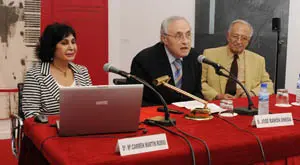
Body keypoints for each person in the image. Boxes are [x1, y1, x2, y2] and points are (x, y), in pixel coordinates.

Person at [22, 23, 92, 118]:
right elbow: (31, 115)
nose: (71, 47)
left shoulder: (82, 72)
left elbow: (91, 106)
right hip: (50, 131)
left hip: (82, 129)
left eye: (73, 42)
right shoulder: (35, 75)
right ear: (51, 47)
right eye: (64, 43)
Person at [129, 16, 203, 106]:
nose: (185, 41)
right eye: (178, 36)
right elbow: (138, 100)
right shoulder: (144, 60)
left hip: (187, 115)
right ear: (164, 39)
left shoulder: (194, 57)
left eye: (188, 34)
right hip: (158, 115)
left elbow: (197, 93)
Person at [201, 19, 274, 101]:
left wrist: (251, 94)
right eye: (235, 36)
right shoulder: (210, 55)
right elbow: (201, 83)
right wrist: (217, 96)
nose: (239, 41)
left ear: (248, 41)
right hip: (218, 103)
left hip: (244, 104)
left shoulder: (258, 60)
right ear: (228, 36)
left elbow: (268, 85)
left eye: (244, 38)